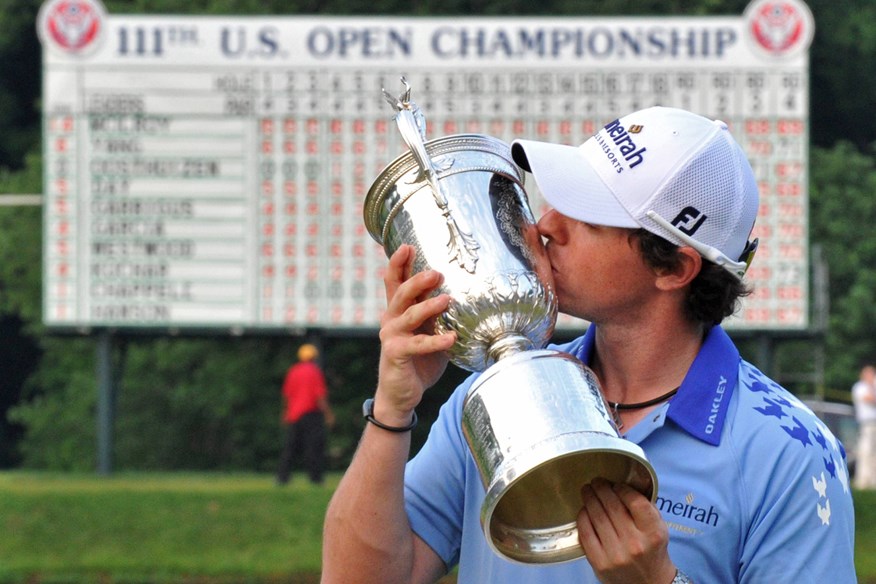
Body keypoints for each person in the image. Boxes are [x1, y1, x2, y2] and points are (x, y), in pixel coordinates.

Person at [322, 107, 856, 583]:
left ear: (673, 267)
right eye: (557, 201)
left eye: (587, 215)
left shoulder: (791, 454)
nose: (548, 225)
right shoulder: (492, 395)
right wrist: (394, 407)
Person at [276, 343, 335, 485]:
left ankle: (282, 478)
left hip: (294, 415)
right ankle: (316, 478)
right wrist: (328, 414)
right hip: (311, 414)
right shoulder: (314, 371)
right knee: (314, 447)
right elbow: (320, 395)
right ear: (313, 357)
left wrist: (285, 413)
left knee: (290, 448)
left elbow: (287, 395)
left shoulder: (293, 371)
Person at [852, 364, 876, 489]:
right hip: (866, 424)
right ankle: (862, 482)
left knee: (874, 455)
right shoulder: (859, 387)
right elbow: (870, 399)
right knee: (865, 452)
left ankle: (873, 482)